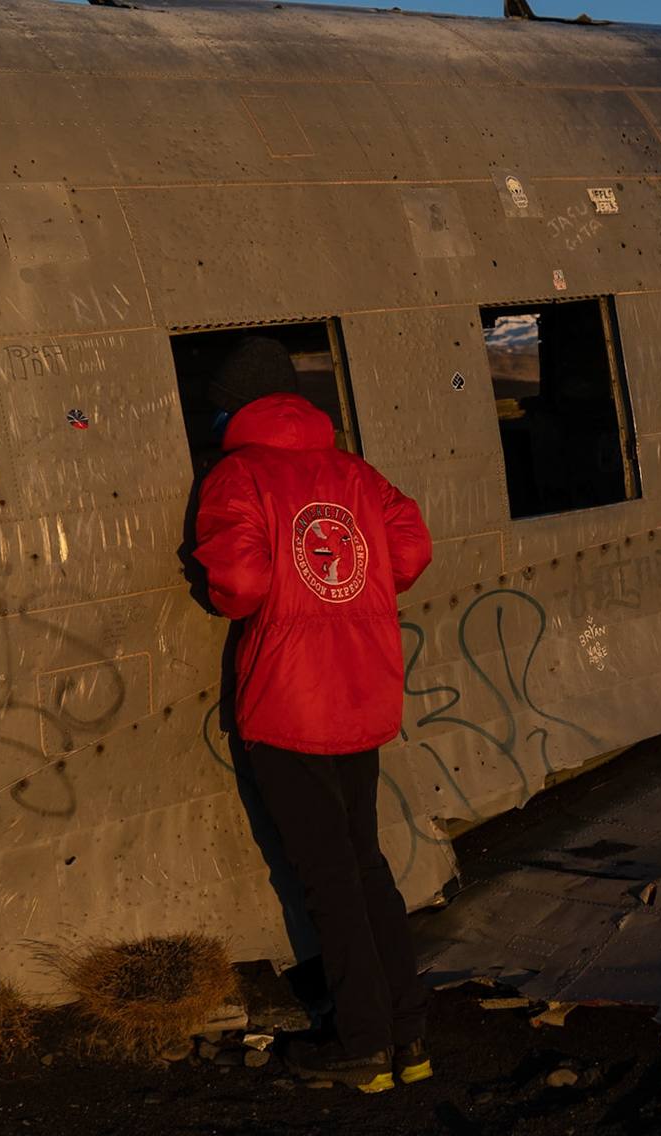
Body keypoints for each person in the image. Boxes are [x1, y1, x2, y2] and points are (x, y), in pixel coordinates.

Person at [193, 336, 434, 1094]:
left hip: (289, 702)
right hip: (362, 691)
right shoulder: (353, 471)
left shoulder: (238, 475)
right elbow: (410, 552)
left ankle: (363, 1043)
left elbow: (235, 580)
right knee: (364, 863)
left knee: (327, 874)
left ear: (233, 409)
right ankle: (408, 1036)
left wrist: (258, 595)